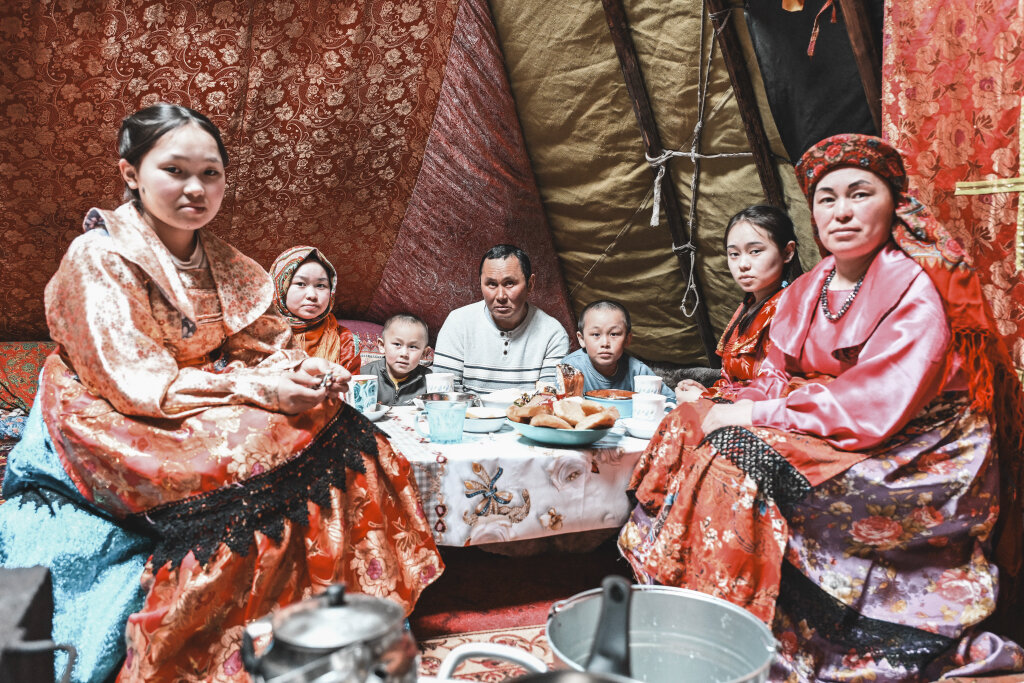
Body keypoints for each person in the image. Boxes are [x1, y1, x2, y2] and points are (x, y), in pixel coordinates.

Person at [0, 104, 442, 683]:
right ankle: (211, 649)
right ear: (130, 172)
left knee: (332, 421)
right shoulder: (100, 257)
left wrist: (302, 372)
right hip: (114, 408)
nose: (195, 188)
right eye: (175, 170)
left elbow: (265, 340)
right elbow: (134, 380)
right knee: (243, 459)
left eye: (210, 173)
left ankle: (335, 623)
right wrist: (261, 388)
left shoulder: (217, 258)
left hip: (202, 392)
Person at [619, 134, 1024, 681]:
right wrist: (732, 405)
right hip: (827, 421)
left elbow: (874, 402)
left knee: (738, 459)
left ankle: (748, 636)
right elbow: (774, 375)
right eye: (827, 199)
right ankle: (683, 600)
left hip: (915, 446)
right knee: (687, 425)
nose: (842, 212)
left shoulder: (913, 288)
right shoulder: (811, 286)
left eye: (860, 194)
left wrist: (753, 416)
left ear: (894, 204)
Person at [674, 205, 801, 403]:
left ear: (787, 253)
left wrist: (706, 398)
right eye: (734, 254)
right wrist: (706, 391)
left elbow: (780, 390)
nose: (743, 264)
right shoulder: (748, 307)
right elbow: (731, 381)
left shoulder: (789, 309)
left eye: (755, 251)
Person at [433, 244, 569, 392]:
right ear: (480, 284)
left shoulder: (552, 333)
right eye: (491, 284)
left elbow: (547, 398)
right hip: (466, 414)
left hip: (527, 415)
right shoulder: (458, 323)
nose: (500, 296)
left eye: (509, 283)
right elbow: (444, 394)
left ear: (530, 284)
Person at [270, 245, 362, 375]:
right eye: (301, 284)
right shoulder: (259, 336)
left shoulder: (345, 340)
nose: (312, 295)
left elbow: (352, 389)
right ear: (280, 287)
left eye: (321, 285)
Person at [562, 300, 674, 399]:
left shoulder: (638, 371)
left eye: (614, 334)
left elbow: (670, 401)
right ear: (581, 339)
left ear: (627, 339)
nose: (605, 343)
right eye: (596, 334)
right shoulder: (570, 368)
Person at [362, 313, 432, 406]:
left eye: (413, 346)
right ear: (382, 346)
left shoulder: (429, 380)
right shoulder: (364, 375)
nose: (404, 354)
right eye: (397, 344)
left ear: (424, 353)